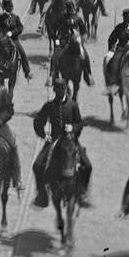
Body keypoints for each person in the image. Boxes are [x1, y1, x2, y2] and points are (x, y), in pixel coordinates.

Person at [32, 76, 91, 207]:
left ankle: (82, 192)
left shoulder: (73, 105)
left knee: (87, 165)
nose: (61, 92)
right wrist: (44, 135)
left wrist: (73, 128)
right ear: (54, 90)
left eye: (63, 89)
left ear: (66, 89)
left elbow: (79, 123)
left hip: (70, 141)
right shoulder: (49, 106)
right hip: (54, 139)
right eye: (58, 89)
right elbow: (37, 122)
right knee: (37, 166)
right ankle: (42, 195)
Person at [104, 9, 129, 84]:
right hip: (121, 49)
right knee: (115, 61)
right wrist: (112, 47)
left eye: (128, 17)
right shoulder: (119, 27)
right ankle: (113, 79)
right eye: (124, 17)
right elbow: (112, 38)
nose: (126, 18)